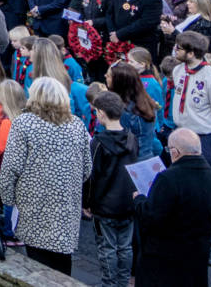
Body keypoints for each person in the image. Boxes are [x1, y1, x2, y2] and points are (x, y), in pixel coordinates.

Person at [0, 76, 92, 272]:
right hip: (66, 204)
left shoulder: (24, 123)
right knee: (62, 261)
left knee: (37, 262)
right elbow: (86, 168)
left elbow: (10, 168)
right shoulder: (76, 125)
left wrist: (8, 201)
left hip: (33, 203)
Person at [169, 29, 211, 265]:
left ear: (192, 52)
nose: (175, 51)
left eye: (180, 48)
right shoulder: (178, 71)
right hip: (181, 134)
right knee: (183, 188)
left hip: (206, 139)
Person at [135, 127, 211, 287]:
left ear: (175, 152)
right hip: (197, 257)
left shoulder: (167, 178)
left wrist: (139, 200)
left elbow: (150, 218)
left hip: (163, 260)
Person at [86, 91, 140, 287]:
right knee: (125, 247)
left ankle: (109, 283)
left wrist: (87, 202)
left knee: (107, 247)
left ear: (101, 113)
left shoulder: (98, 142)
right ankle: (123, 281)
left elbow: (92, 176)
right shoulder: (132, 139)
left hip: (104, 204)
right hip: (127, 202)